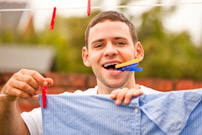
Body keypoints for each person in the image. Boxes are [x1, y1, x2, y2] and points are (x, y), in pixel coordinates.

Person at [0, 11, 159, 135]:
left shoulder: (161, 106)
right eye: (99, 45)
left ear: (137, 52)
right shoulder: (65, 109)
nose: (110, 51)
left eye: (120, 42)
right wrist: (7, 99)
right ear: (86, 57)